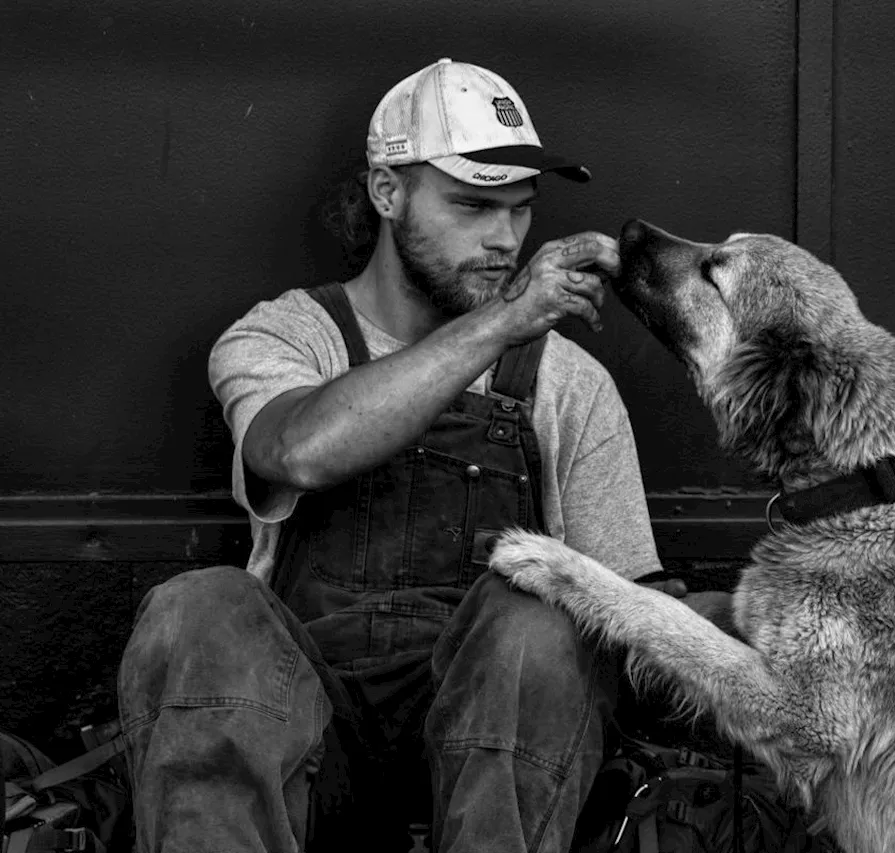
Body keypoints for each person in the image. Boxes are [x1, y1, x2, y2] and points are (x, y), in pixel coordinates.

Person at [116, 57, 709, 853]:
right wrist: (502, 323)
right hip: (311, 744)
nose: (504, 240)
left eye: (520, 210)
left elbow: (635, 614)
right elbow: (299, 448)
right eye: (472, 205)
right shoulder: (289, 335)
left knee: (541, 616)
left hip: (500, 760)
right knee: (198, 609)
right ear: (388, 192)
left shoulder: (570, 384)